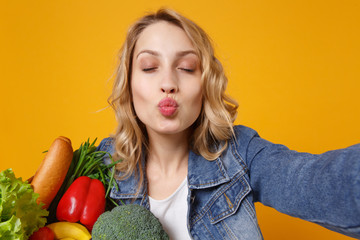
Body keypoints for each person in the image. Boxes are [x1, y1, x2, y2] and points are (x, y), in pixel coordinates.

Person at [97, 8, 360, 240]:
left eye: (187, 67)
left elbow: (317, 182)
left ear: (205, 84)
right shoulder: (100, 168)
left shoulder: (239, 154)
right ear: (129, 83)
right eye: (149, 67)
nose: (168, 83)